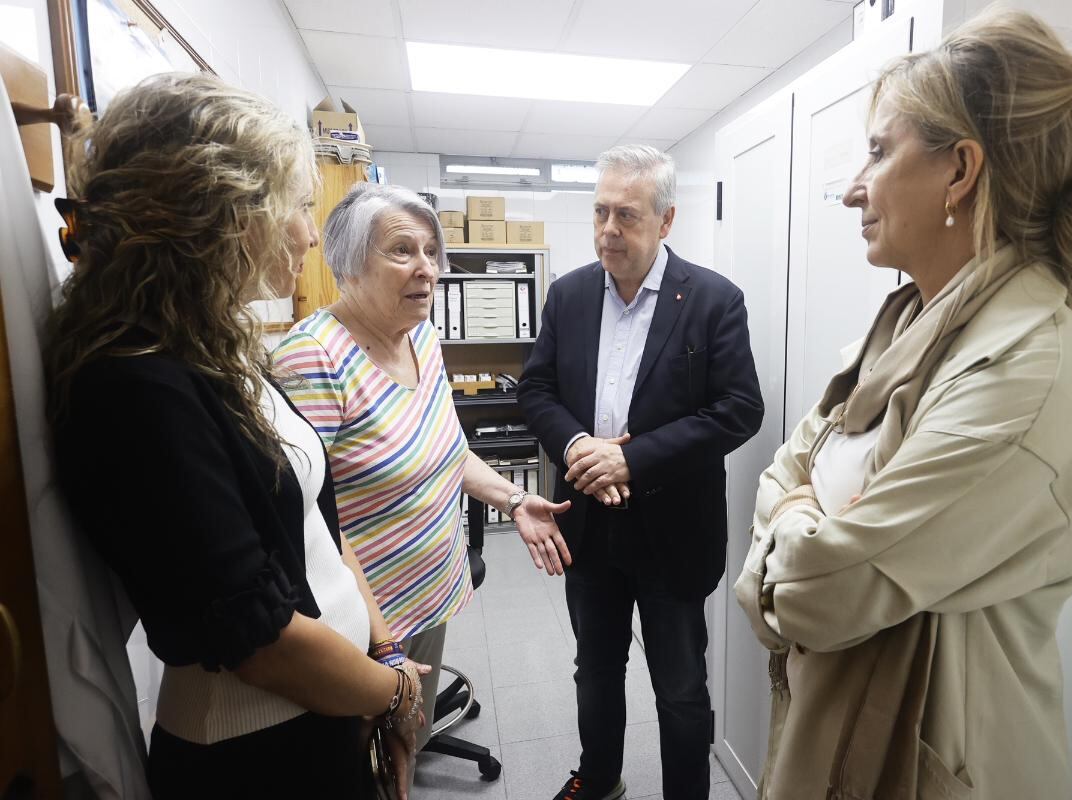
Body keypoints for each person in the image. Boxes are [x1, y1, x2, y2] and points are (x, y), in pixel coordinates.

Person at [735, 9, 1072, 799]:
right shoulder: (901, 329)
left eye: (879, 152)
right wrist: (810, 519)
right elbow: (782, 473)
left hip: (933, 770)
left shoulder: (1026, 375)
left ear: (960, 171)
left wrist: (796, 521)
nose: (853, 188)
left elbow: (815, 594)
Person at [46, 73, 426, 799]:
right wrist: (396, 693)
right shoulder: (134, 385)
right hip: (258, 757)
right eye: (299, 206)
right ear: (224, 211)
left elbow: (313, 524)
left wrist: (383, 653)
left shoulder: (212, 347)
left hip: (328, 711)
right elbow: (262, 643)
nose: (310, 233)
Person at [273, 182, 572, 775]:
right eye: (402, 250)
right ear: (348, 265)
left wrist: (514, 498)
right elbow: (308, 522)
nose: (427, 268)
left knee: (406, 746)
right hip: (364, 624)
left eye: (432, 252)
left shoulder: (423, 338)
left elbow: (449, 451)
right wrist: (383, 647)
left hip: (430, 589)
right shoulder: (313, 358)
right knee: (366, 770)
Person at [518, 144, 764, 800]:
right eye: (600, 212)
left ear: (666, 219)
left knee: (680, 689)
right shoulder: (569, 295)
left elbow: (740, 410)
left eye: (626, 215)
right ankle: (600, 778)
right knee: (595, 669)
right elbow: (536, 389)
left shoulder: (713, 301)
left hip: (673, 533)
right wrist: (577, 447)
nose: (608, 230)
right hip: (587, 527)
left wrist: (631, 457)